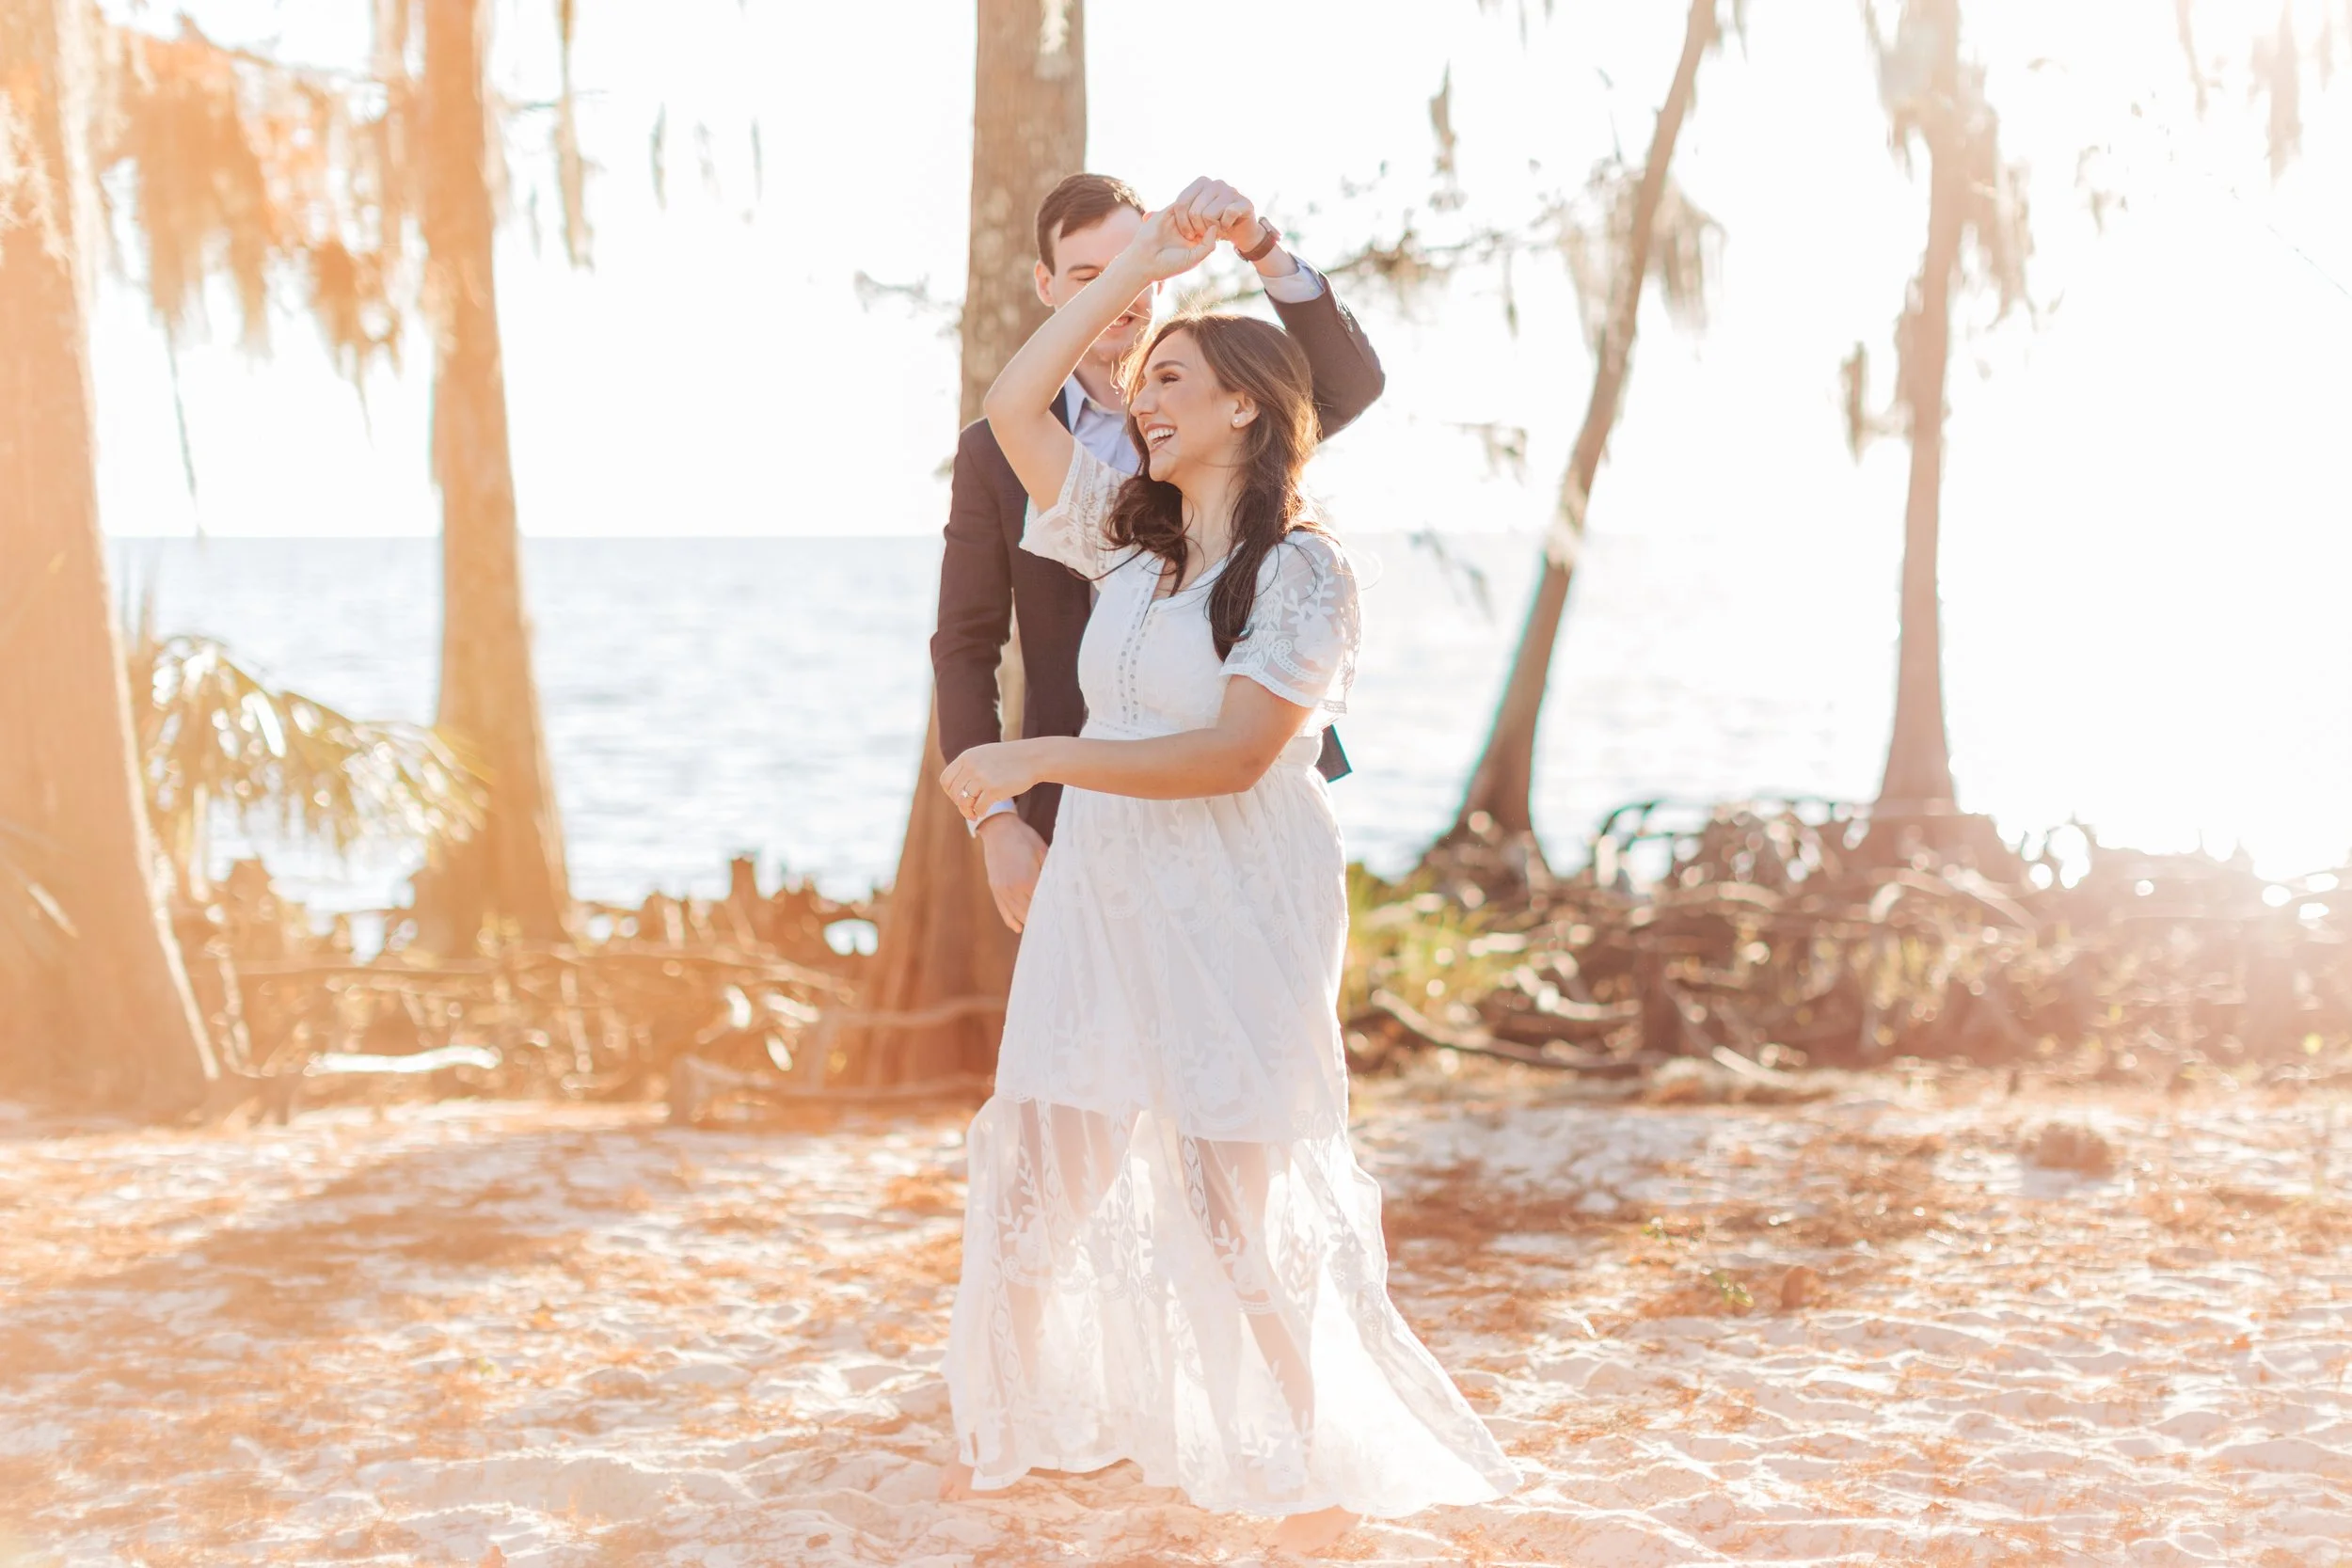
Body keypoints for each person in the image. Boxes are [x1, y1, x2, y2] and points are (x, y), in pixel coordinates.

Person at [931, 193, 1520, 1555]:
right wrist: (1143, 266)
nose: (1142, 400)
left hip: (1244, 886)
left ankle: (1307, 1450)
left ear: (1248, 409)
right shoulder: (1117, 544)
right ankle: (1006, 1428)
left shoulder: (1301, 571)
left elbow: (1237, 751)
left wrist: (1042, 762)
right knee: (1047, 1141)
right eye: (1142, 385)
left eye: (1172, 379)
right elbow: (1018, 395)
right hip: (1106, 882)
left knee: (1226, 1189)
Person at [932, 172, 1385, 934]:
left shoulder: (1223, 410)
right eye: (1092, 278)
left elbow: (1347, 383)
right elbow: (965, 642)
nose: (1124, 299)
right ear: (1051, 287)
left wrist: (1258, 245)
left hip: (1239, 798)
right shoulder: (1039, 479)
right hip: (1072, 790)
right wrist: (997, 818)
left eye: (1133, 273)